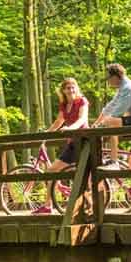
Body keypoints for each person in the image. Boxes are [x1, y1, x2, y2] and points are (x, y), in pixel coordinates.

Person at [33, 78, 89, 214]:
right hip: (72, 143)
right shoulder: (64, 105)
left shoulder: (82, 101)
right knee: (51, 171)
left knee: (86, 175)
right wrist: (47, 133)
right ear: (63, 90)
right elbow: (59, 120)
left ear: (77, 88)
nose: (71, 90)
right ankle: (48, 205)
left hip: (83, 142)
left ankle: (90, 204)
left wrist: (72, 128)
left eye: (73, 87)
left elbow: (83, 118)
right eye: (68, 88)